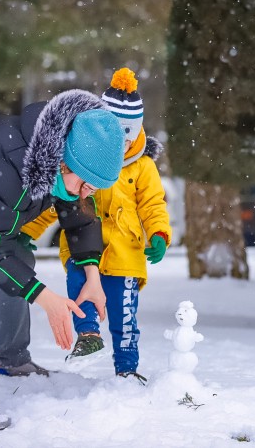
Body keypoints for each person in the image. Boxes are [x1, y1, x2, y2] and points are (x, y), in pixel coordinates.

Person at [0, 89, 125, 431]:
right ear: (64, 162)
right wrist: (46, 298)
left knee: (18, 254)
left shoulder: (61, 159)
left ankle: (9, 360)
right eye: (85, 184)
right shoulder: (15, 161)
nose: (87, 194)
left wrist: (93, 277)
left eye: (94, 189)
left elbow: (79, 219)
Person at [61, 68, 172, 384]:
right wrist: (27, 230)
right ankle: (88, 335)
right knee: (79, 287)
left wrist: (160, 234)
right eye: (112, 138)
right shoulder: (82, 155)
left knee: (125, 318)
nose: (118, 147)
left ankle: (127, 367)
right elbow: (60, 196)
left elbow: (153, 204)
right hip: (83, 247)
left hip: (126, 252)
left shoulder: (143, 166)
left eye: (125, 140)